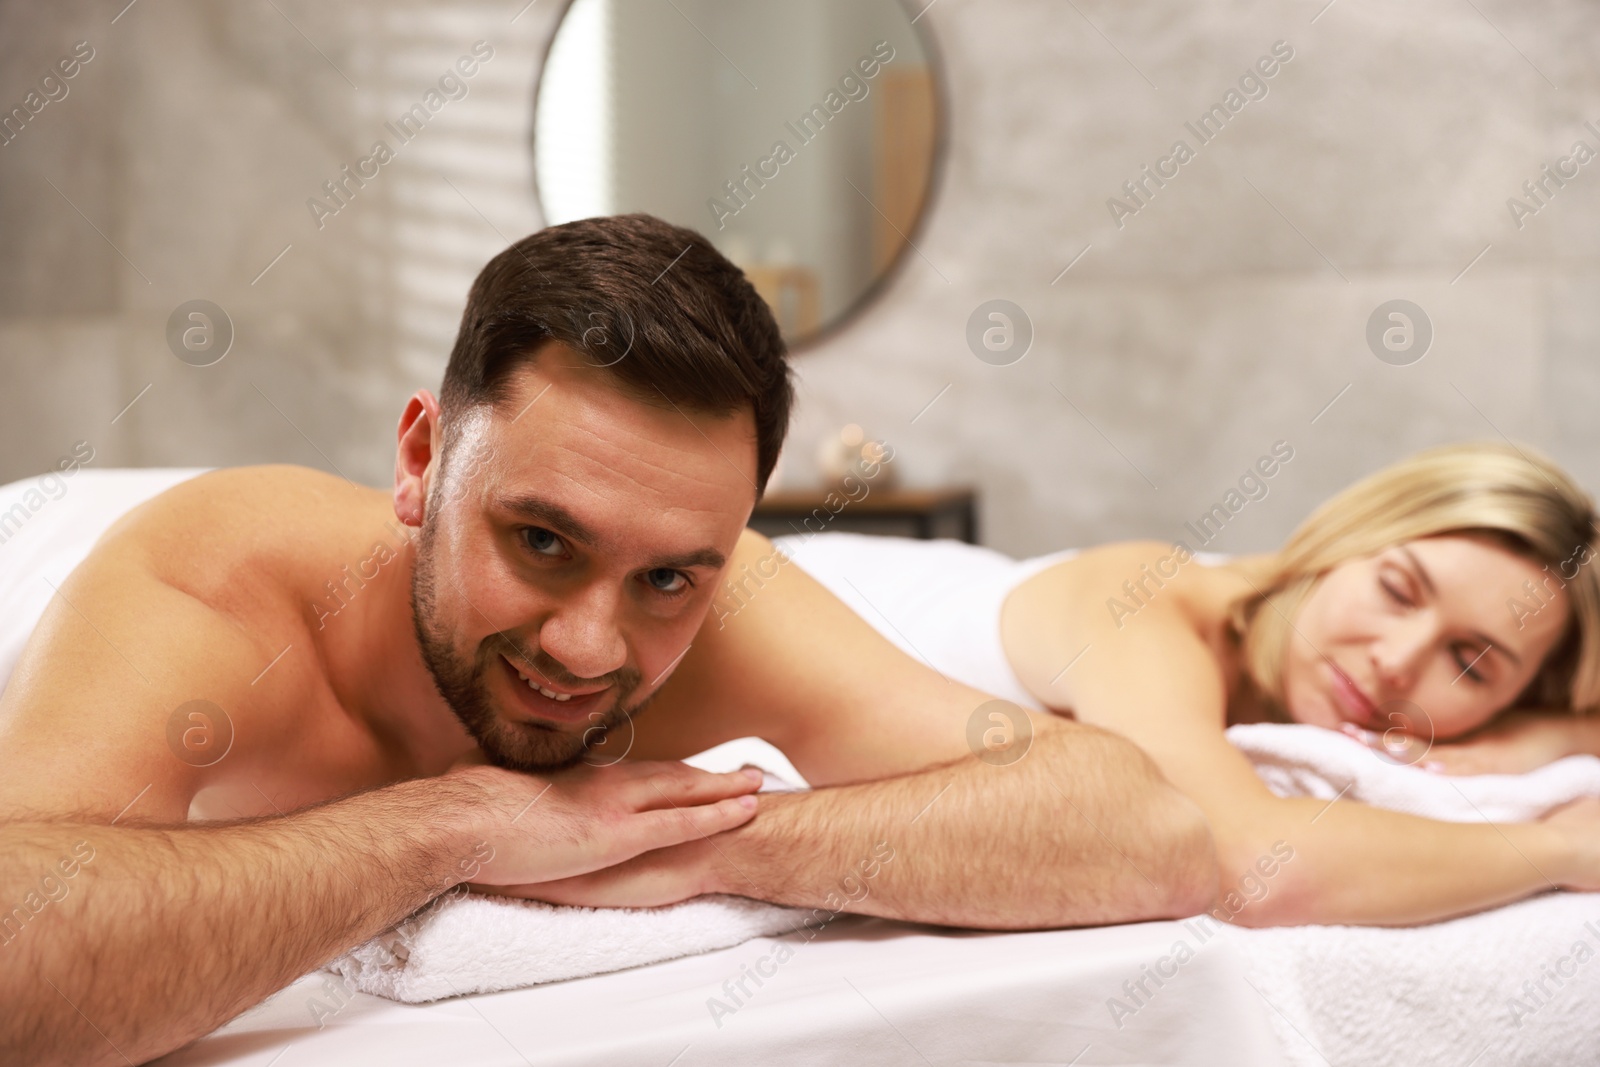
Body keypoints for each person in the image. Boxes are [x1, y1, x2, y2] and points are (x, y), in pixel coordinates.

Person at [0, 214, 1214, 1067]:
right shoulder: (215, 585)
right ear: (421, 459)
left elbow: (1142, 829)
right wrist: (451, 825)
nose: (589, 646)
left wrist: (709, 849)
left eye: (669, 577)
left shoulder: (731, 598)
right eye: (539, 540)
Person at [779, 440, 1600, 929]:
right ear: (1344, 540)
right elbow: (1247, 865)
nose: (1396, 660)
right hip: (813, 597)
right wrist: (1560, 849)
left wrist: (1552, 736)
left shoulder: (1501, 707)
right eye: (1396, 587)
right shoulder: (1144, 602)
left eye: (1470, 662)